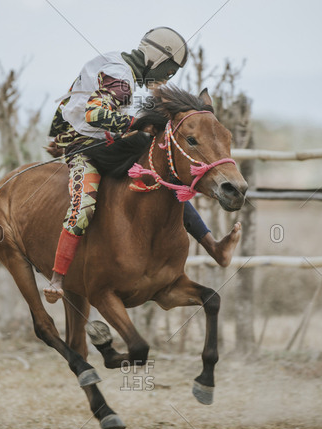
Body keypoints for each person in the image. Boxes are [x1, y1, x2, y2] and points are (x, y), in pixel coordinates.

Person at [44, 27, 241, 303]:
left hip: (103, 143)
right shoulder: (121, 75)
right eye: (169, 71)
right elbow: (93, 112)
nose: (167, 78)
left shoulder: (119, 68)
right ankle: (58, 277)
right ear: (158, 59)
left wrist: (59, 132)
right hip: (85, 150)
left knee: (163, 178)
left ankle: (215, 248)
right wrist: (135, 124)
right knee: (84, 207)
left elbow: (71, 103)